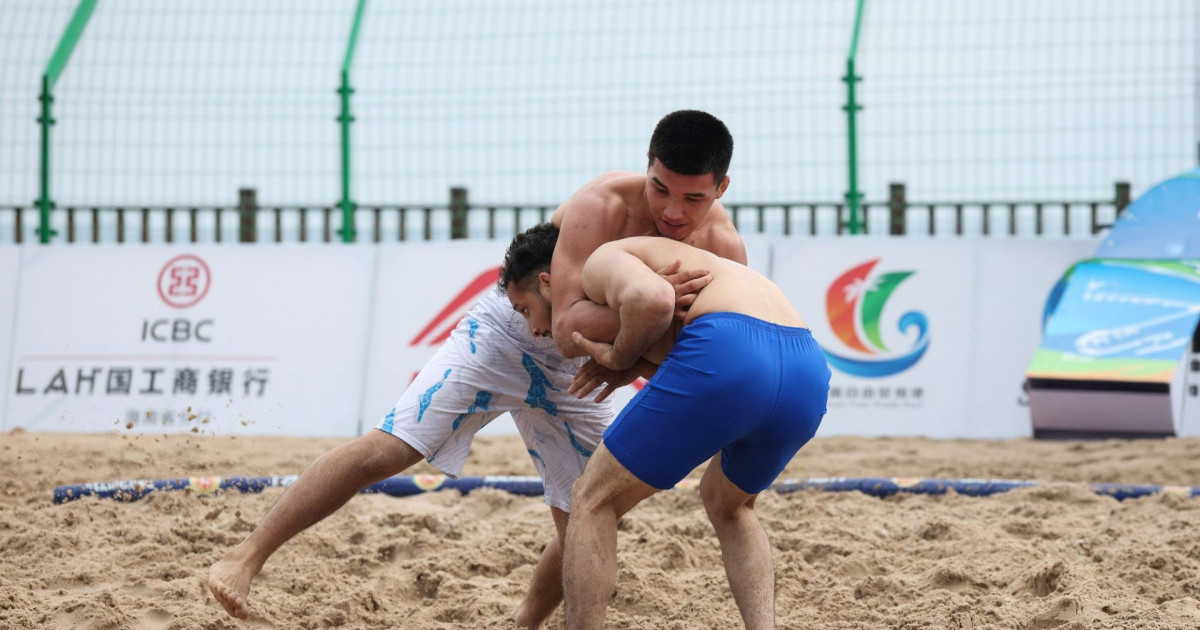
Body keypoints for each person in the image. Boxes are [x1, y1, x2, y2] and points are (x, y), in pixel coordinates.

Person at [206, 109, 747, 628]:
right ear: (646, 167)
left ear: (720, 189)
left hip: (588, 364)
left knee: (587, 514)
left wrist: (635, 345)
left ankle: (525, 622)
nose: (672, 211)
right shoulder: (603, 203)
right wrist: (647, 312)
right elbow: (562, 318)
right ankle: (244, 557)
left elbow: (699, 349)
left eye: (692, 198)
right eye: (660, 188)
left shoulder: (723, 249)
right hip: (516, 330)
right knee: (389, 449)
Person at [500, 225, 831, 630]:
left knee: (591, 498)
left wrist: (620, 360)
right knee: (730, 505)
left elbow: (653, 304)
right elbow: (685, 337)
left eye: (524, 310)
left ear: (548, 282)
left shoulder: (603, 259)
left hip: (729, 348)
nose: (532, 328)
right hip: (807, 366)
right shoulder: (690, 259)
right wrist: (636, 362)